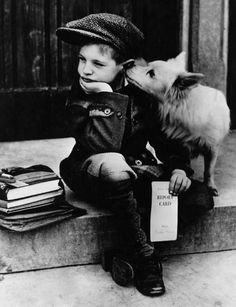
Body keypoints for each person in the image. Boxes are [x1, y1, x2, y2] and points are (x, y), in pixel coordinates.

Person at [56, 13, 214, 297]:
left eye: (98, 63)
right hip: (91, 170)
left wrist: (179, 168)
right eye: (82, 59)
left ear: (123, 67)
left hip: (133, 172)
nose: (86, 70)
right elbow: (104, 146)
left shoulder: (141, 96)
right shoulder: (80, 96)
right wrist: (105, 95)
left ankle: (126, 251)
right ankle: (144, 260)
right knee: (116, 165)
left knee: (200, 197)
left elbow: (166, 139)